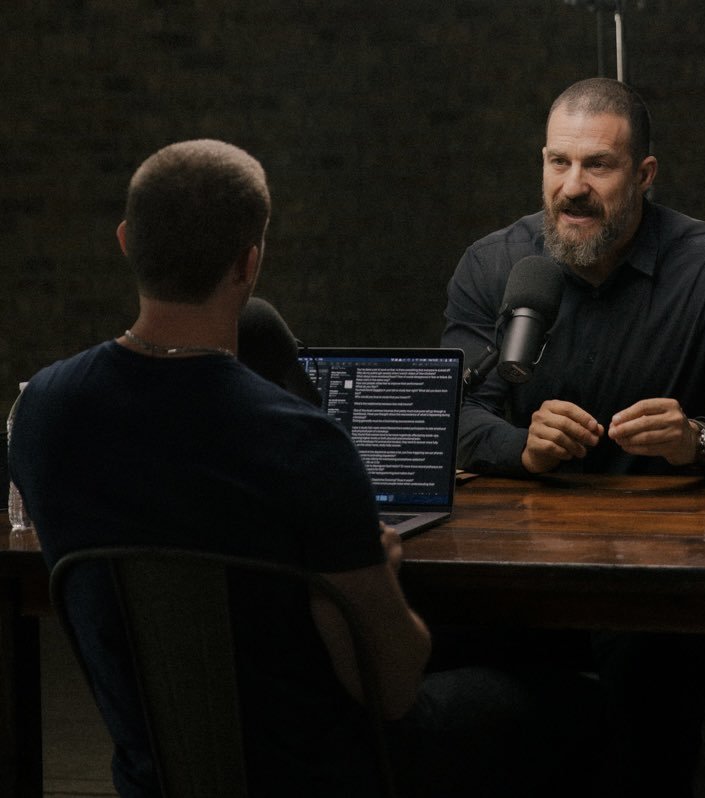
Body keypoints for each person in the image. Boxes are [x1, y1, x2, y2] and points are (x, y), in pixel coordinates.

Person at [9, 140, 600, 797]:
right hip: (324, 775)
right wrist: (375, 571)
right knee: (570, 699)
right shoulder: (301, 441)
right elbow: (393, 687)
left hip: (154, 774)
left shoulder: (41, 412)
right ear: (249, 263)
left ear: (126, 241)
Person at [441, 78, 705, 796]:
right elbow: (454, 414)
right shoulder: (494, 267)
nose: (572, 187)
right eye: (558, 162)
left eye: (598, 165)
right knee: (430, 650)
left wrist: (696, 438)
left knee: (647, 686)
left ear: (644, 174)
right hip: (530, 573)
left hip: (673, 578)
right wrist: (520, 448)